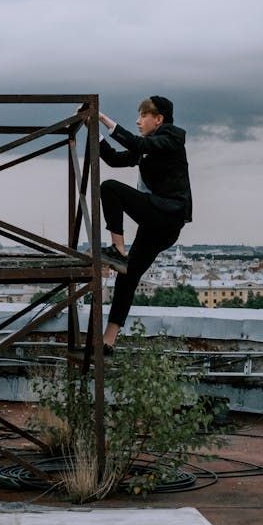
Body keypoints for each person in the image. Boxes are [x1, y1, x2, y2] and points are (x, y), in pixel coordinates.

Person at [94, 96, 193, 352]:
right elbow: (115, 159)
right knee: (128, 276)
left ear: (158, 119)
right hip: (157, 223)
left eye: (143, 116)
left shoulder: (171, 138)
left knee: (110, 189)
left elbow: (137, 142)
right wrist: (96, 135)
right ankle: (108, 341)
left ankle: (117, 249)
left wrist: (103, 119)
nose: (138, 121)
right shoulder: (149, 147)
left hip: (167, 215)